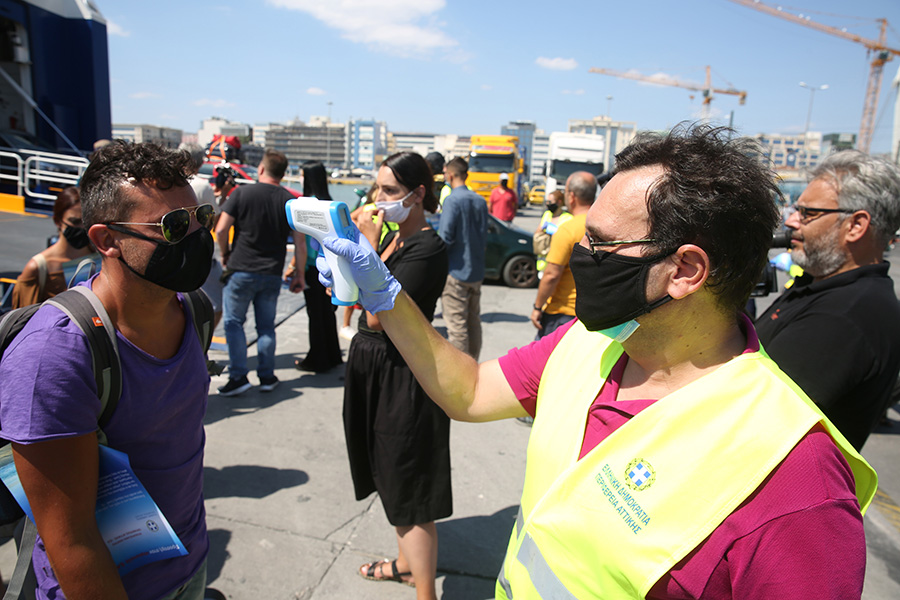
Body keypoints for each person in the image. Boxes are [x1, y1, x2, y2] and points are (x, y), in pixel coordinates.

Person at [316, 124, 876, 599]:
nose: (582, 257)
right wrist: (385, 294)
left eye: (601, 245)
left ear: (685, 271)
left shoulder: (798, 489)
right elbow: (469, 391)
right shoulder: (586, 343)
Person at [0, 141, 216, 599]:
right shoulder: (53, 357)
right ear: (106, 240)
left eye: (203, 218)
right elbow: (70, 540)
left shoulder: (196, 310)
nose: (198, 235)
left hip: (191, 568)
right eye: (175, 226)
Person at [343, 152, 449, 600]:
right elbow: (348, 289)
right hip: (375, 372)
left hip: (403, 378)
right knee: (388, 473)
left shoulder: (428, 248)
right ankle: (404, 563)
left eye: (388, 190)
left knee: (409, 488)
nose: (378, 198)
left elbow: (375, 317)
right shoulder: (393, 239)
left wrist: (365, 246)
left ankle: (425, 591)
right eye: (377, 188)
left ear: (417, 194)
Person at [756, 150, 900, 451]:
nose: (792, 221)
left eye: (807, 213)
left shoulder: (846, 315)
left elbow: (758, 415)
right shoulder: (825, 284)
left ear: (856, 226)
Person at [215, 149, 305, 396]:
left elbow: (221, 230)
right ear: (283, 173)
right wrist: (299, 274)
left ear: (262, 169)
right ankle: (266, 376)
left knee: (234, 323)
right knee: (266, 328)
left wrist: (225, 254)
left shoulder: (241, 193)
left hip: (241, 269)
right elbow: (300, 243)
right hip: (272, 273)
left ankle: (238, 376)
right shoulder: (290, 200)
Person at [530, 172, 596, 339]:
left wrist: (538, 307)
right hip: (593, 312)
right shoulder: (605, 226)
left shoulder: (567, 230)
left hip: (561, 313)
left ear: (571, 196)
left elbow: (551, 275)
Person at [293, 160, 343, 373]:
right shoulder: (328, 202)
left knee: (315, 314)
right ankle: (332, 355)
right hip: (330, 267)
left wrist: (297, 271)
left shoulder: (304, 205)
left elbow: (302, 245)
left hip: (313, 267)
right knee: (327, 312)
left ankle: (317, 359)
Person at [11, 186, 94, 308]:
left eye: (85, 222)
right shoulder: (38, 268)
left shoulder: (103, 257)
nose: (81, 227)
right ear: (58, 221)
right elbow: (23, 320)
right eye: (75, 222)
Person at [439, 157, 488, 359]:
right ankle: (474, 363)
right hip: (476, 269)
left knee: (457, 325)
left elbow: (445, 238)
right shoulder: (480, 200)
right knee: (473, 321)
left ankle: (463, 373)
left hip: (456, 270)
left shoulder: (452, 200)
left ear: (450, 175)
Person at [183, 143, 224, 328]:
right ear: (200, 162)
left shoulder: (169, 184)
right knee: (215, 303)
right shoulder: (202, 185)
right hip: (198, 250)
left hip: (174, 249)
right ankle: (201, 344)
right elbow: (215, 218)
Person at [533, 189, 572, 276]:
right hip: (543, 263)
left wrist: (549, 229)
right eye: (547, 201)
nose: (548, 204)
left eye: (550, 201)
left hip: (558, 261)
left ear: (559, 202)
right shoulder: (547, 214)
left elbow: (565, 237)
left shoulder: (568, 218)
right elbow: (538, 232)